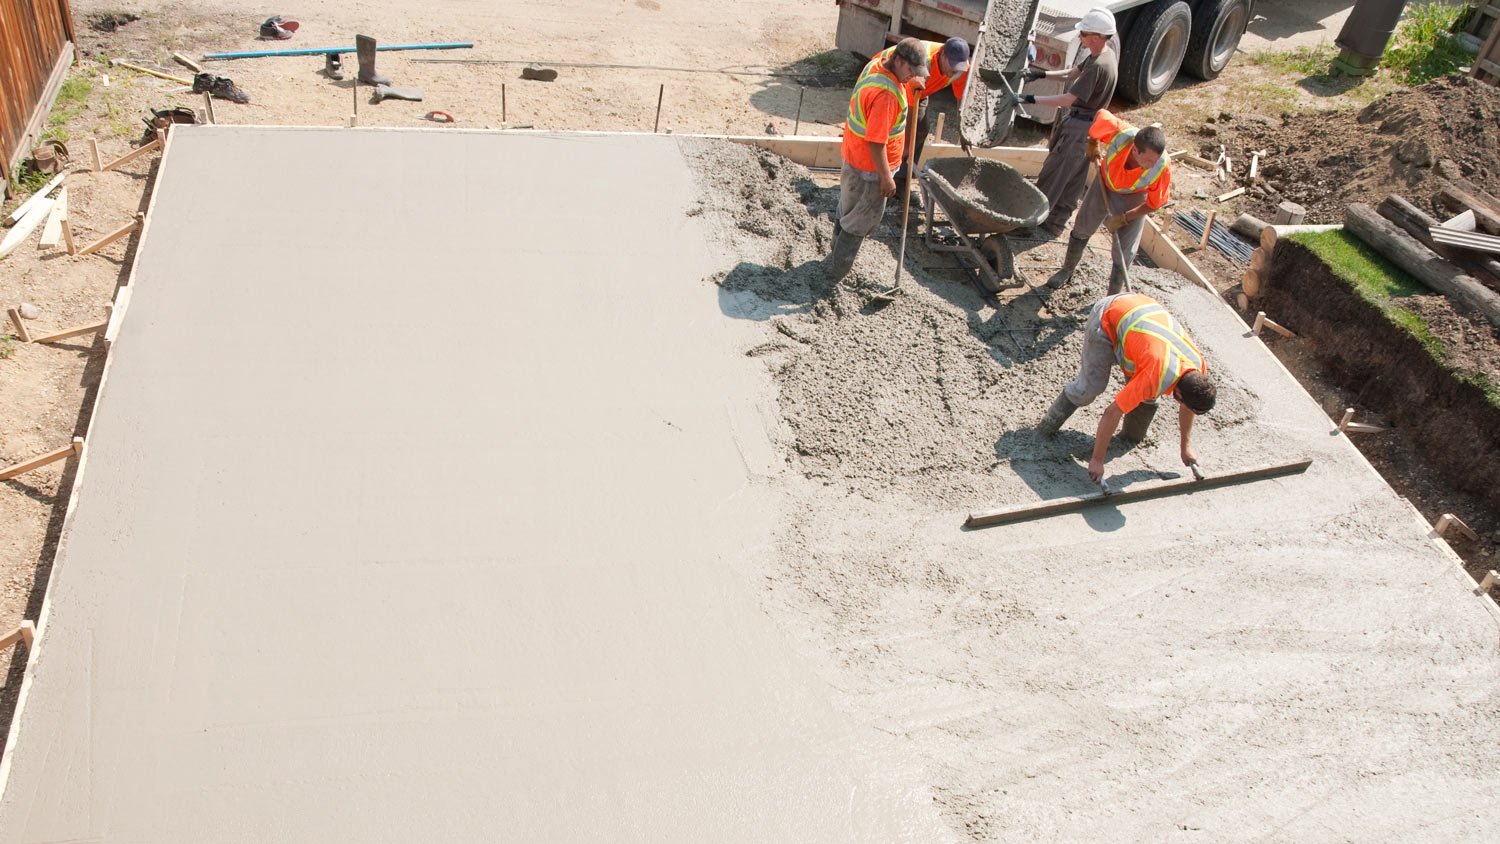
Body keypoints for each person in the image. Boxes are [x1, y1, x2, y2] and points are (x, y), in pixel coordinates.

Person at [1037, 292, 1216, 482]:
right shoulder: (1154, 375)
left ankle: (1130, 437)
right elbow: (1112, 412)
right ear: (1179, 393)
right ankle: (1044, 430)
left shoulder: (1196, 367)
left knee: (1147, 394)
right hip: (1107, 319)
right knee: (1089, 388)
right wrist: (1097, 460)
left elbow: (1187, 406)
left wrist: (1185, 447)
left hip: (1139, 315)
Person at [826, 38, 929, 282]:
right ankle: (834, 274)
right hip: (870, 170)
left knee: (848, 208)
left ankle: (832, 258)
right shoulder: (887, 96)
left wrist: (911, 83)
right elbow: (876, 141)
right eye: (910, 71)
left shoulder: (877, 66)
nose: (912, 76)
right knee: (861, 220)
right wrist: (886, 178)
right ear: (900, 61)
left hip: (853, 155)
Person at [1017, 8, 1119, 236]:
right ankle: (1055, 224)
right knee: (1073, 179)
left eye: (1082, 34)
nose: (1080, 37)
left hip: (1079, 129)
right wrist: (1040, 74)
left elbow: (1067, 98)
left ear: (1095, 36)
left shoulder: (1099, 66)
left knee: (1054, 175)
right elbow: (1072, 74)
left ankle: (1027, 224)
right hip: (1090, 128)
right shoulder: (1103, 54)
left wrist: (1030, 99)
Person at [1045, 110, 1171, 295]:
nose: (1153, 164)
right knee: (1082, 227)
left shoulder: (1162, 168)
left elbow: (1154, 204)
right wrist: (1092, 142)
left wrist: (1125, 218)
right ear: (1135, 150)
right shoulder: (1122, 135)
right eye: (1149, 160)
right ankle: (1067, 269)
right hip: (1105, 182)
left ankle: (1112, 296)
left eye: (1155, 159)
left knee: (1125, 250)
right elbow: (1100, 115)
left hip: (1133, 196)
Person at [865, 37, 974, 193]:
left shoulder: (962, 68)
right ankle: (881, 177)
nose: (955, 71)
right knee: (891, 132)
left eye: (959, 67)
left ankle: (900, 181)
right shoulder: (922, 65)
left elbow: (960, 101)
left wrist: (962, 130)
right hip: (889, 76)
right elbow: (909, 110)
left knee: (921, 130)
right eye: (952, 66)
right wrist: (908, 144)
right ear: (943, 55)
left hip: (920, 89)